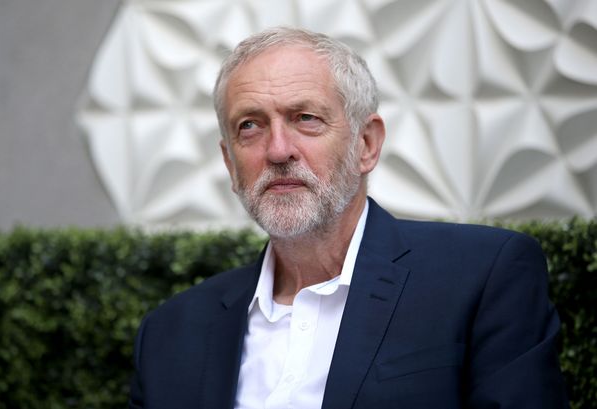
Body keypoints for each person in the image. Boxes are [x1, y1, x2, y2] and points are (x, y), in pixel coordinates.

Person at [128, 27, 568, 409]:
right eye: (250, 126)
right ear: (229, 163)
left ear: (366, 144)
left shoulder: (482, 276)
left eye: (305, 118)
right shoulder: (171, 334)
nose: (278, 150)